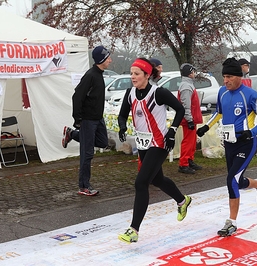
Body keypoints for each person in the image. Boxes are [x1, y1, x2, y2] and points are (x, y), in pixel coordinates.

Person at [117, 58, 191, 243]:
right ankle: (182, 201)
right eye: (131, 73)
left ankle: (134, 230)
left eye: (136, 73)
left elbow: (180, 109)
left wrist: (172, 131)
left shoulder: (159, 93)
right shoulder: (130, 93)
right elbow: (122, 115)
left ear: (147, 75)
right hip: (143, 143)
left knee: (141, 183)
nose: (132, 77)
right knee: (157, 179)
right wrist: (122, 127)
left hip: (160, 143)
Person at [196, 58, 257, 237]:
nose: (225, 81)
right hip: (229, 144)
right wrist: (207, 126)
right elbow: (219, 112)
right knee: (237, 180)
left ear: (239, 77)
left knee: (231, 180)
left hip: (246, 143)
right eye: (224, 77)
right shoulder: (222, 92)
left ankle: (232, 222)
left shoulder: (251, 95)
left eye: (229, 76)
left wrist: (250, 132)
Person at [61, 45, 112, 196]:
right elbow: (77, 96)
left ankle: (73, 134)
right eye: (108, 57)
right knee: (87, 153)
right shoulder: (90, 75)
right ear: (101, 59)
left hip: (98, 119)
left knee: (103, 142)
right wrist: (78, 119)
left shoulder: (99, 74)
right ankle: (84, 186)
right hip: (88, 121)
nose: (110, 60)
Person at [177, 63, 203, 174]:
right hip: (189, 119)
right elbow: (185, 105)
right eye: (193, 72)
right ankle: (183, 164)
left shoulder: (188, 85)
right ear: (190, 73)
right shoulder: (186, 86)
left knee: (192, 141)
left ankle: (189, 159)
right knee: (188, 141)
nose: (194, 74)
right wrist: (189, 119)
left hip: (191, 118)